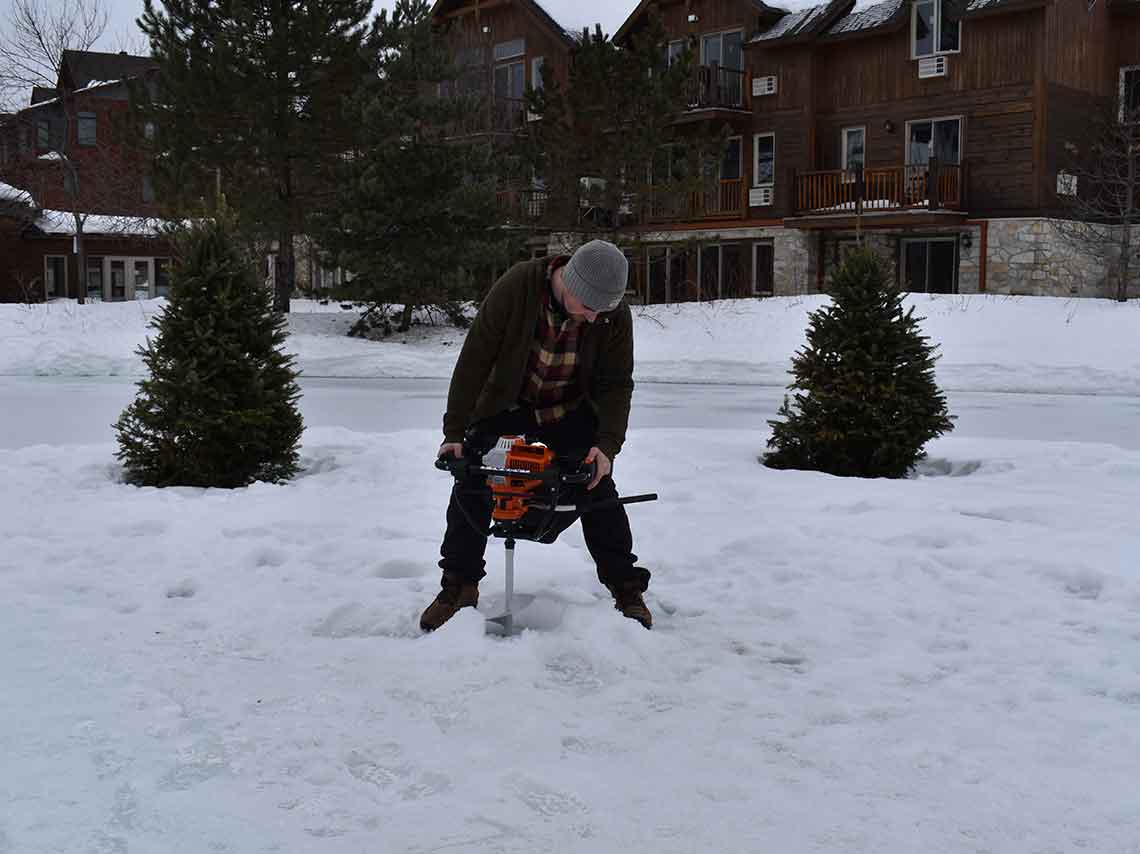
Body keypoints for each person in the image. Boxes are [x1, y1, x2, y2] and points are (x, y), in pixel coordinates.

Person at [422, 239, 652, 632]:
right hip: (507, 403)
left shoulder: (611, 315)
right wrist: (455, 431)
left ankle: (626, 588)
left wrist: (606, 446)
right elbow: (475, 358)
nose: (596, 318)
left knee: (596, 486)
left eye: (604, 310)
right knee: (471, 479)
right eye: (590, 308)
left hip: (567, 408)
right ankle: (459, 586)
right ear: (571, 285)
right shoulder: (517, 288)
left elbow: (617, 384)